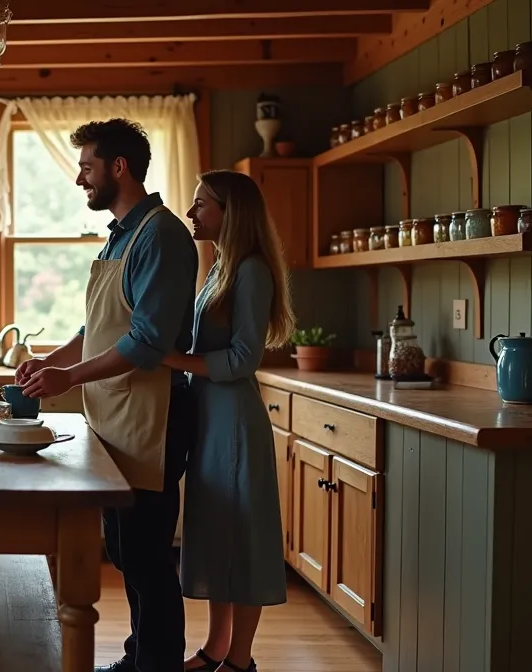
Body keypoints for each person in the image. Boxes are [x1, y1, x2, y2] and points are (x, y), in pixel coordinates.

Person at [19, 118, 199, 672]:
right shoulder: (123, 233)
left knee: (146, 558)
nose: (80, 179)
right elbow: (98, 325)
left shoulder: (163, 235)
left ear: (119, 168)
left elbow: (146, 341)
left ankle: (158, 664)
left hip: (152, 418)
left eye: (87, 167)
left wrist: (68, 379)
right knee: (125, 553)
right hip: (116, 417)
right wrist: (52, 360)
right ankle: (139, 657)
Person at [161, 170, 296, 672]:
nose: (191, 213)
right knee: (217, 534)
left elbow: (243, 358)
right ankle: (216, 648)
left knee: (243, 538)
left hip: (235, 420)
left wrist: (173, 360)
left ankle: (239, 660)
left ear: (230, 212)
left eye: (201, 205)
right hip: (211, 418)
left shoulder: (252, 271)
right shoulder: (220, 267)